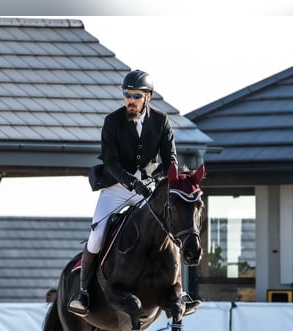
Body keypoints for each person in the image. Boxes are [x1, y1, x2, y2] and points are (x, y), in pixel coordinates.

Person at [67, 69, 200, 317]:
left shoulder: (161, 121)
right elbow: (111, 162)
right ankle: (83, 292)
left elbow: (170, 157)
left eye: (135, 96)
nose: (130, 100)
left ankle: (179, 293)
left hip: (148, 187)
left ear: (147, 97)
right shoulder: (112, 121)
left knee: (170, 229)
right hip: (116, 187)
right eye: (127, 95)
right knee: (97, 235)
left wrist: (159, 174)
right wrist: (131, 183)